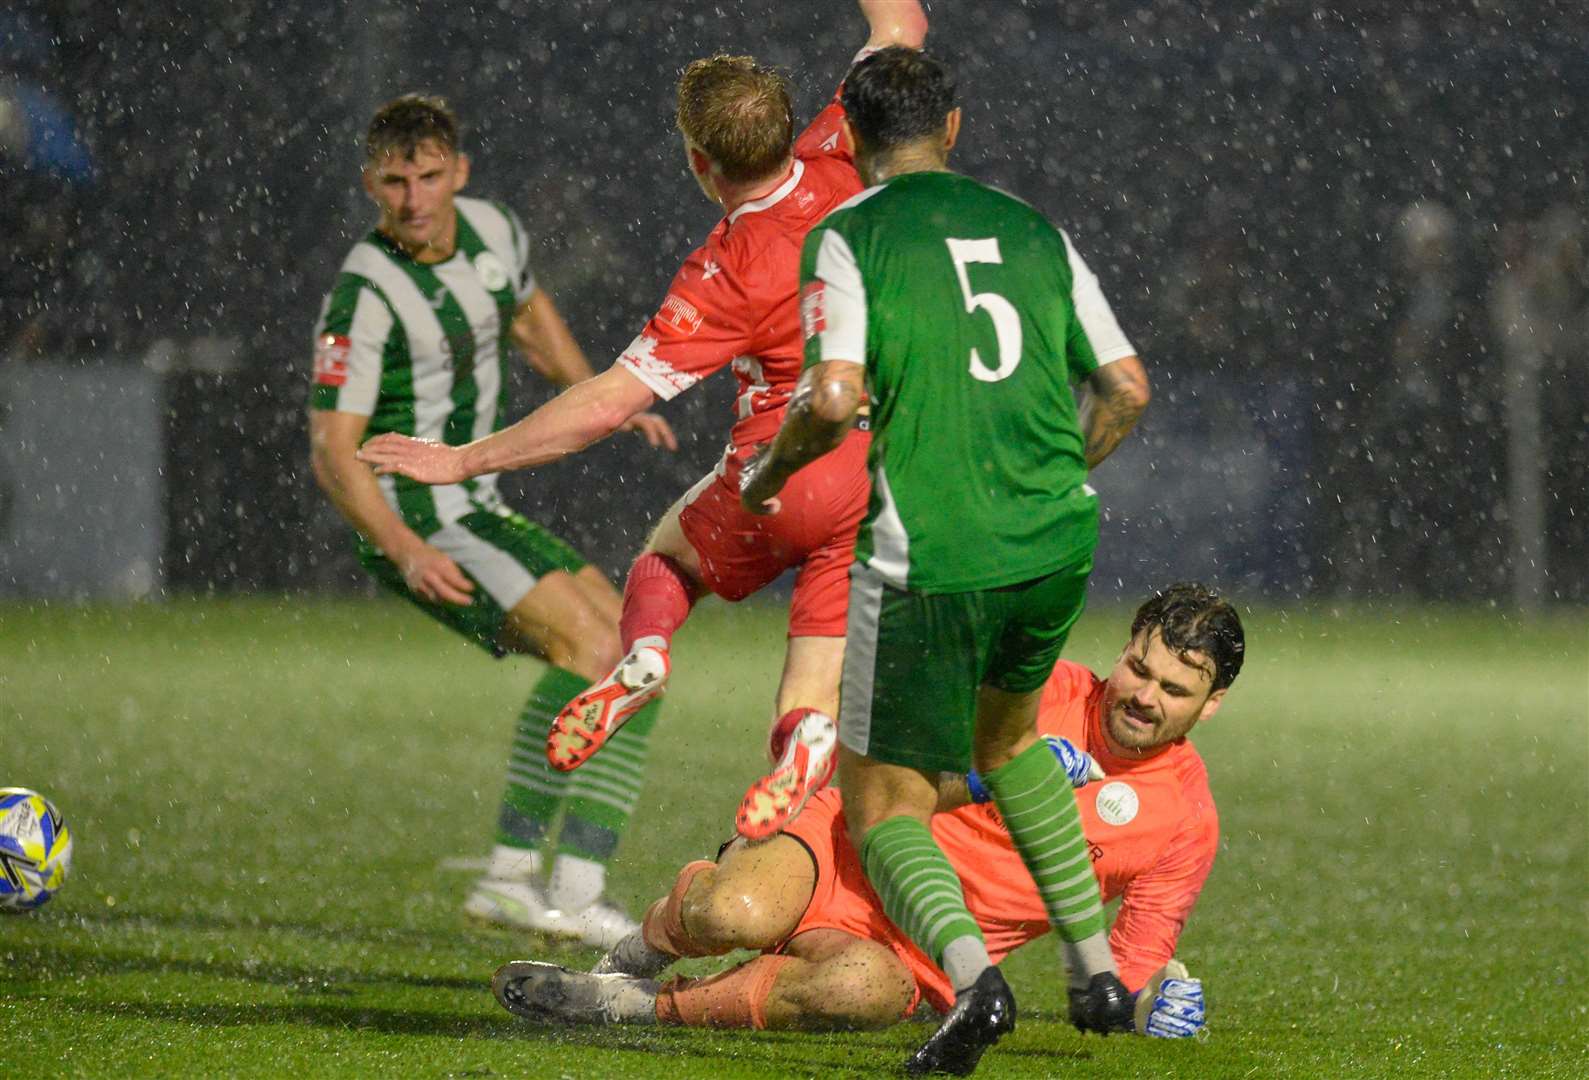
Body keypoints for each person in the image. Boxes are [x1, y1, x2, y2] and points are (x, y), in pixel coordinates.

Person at [356, 1, 931, 840]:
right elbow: (902, 27)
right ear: (786, 123)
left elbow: (605, 402)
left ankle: (647, 658)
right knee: (815, 671)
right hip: (884, 470)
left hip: (787, 463)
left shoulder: (722, 269)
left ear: (700, 162)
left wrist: (466, 459)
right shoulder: (843, 150)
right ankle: (804, 735)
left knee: (666, 558)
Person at [737, 47, 1153, 1074]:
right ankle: (1098, 975)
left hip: (931, 556)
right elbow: (1128, 388)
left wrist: (767, 477)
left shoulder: (848, 233)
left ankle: (975, 986)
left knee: (884, 798)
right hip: (1055, 540)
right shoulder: (1031, 228)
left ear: (849, 139)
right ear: (952, 128)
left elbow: (830, 397)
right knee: (1008, 743)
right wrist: (1049, 478)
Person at [490, 584, 1239, 1050]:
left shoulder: (1185, 821)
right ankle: (644, 947)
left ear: (1211, 706)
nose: (1143, 696)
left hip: (920, 952)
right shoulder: (1025, 693)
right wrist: (985, 780)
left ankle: (632, 1006)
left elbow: (1124, 972)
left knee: (856, 993)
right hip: (848, 844)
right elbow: (886, 770)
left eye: (1174, 689)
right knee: (729, 912)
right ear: (1123, 653)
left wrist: (1154, 1004)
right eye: (1139, 669)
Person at [308, 94, 678, 948]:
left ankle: (549, 882)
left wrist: (599, 398)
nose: (413, 199)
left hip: (474, 500)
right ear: (370, 183)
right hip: (417, 513)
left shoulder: (493, 230)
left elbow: (526, 312)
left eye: (428, 176)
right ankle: (531, 881)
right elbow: (335, 450)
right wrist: (400, 548)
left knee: (638, 655)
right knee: (599, 657)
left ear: (459, 174)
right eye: (395, 182)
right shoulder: (364, 295)